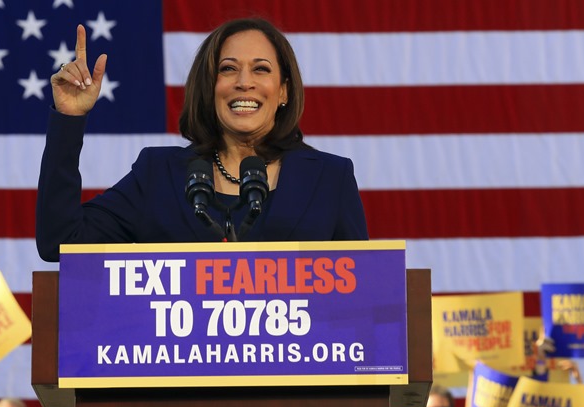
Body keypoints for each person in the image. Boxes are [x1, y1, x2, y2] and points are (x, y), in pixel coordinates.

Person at [36, 17, 368, 261]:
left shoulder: (329, 179)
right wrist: (70, 118)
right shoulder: (159, 175)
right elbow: (61, 241)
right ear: (209, 88)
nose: (243, 82)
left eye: (261, 69)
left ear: (283, 91)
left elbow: (363, 289)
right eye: (227, 69)